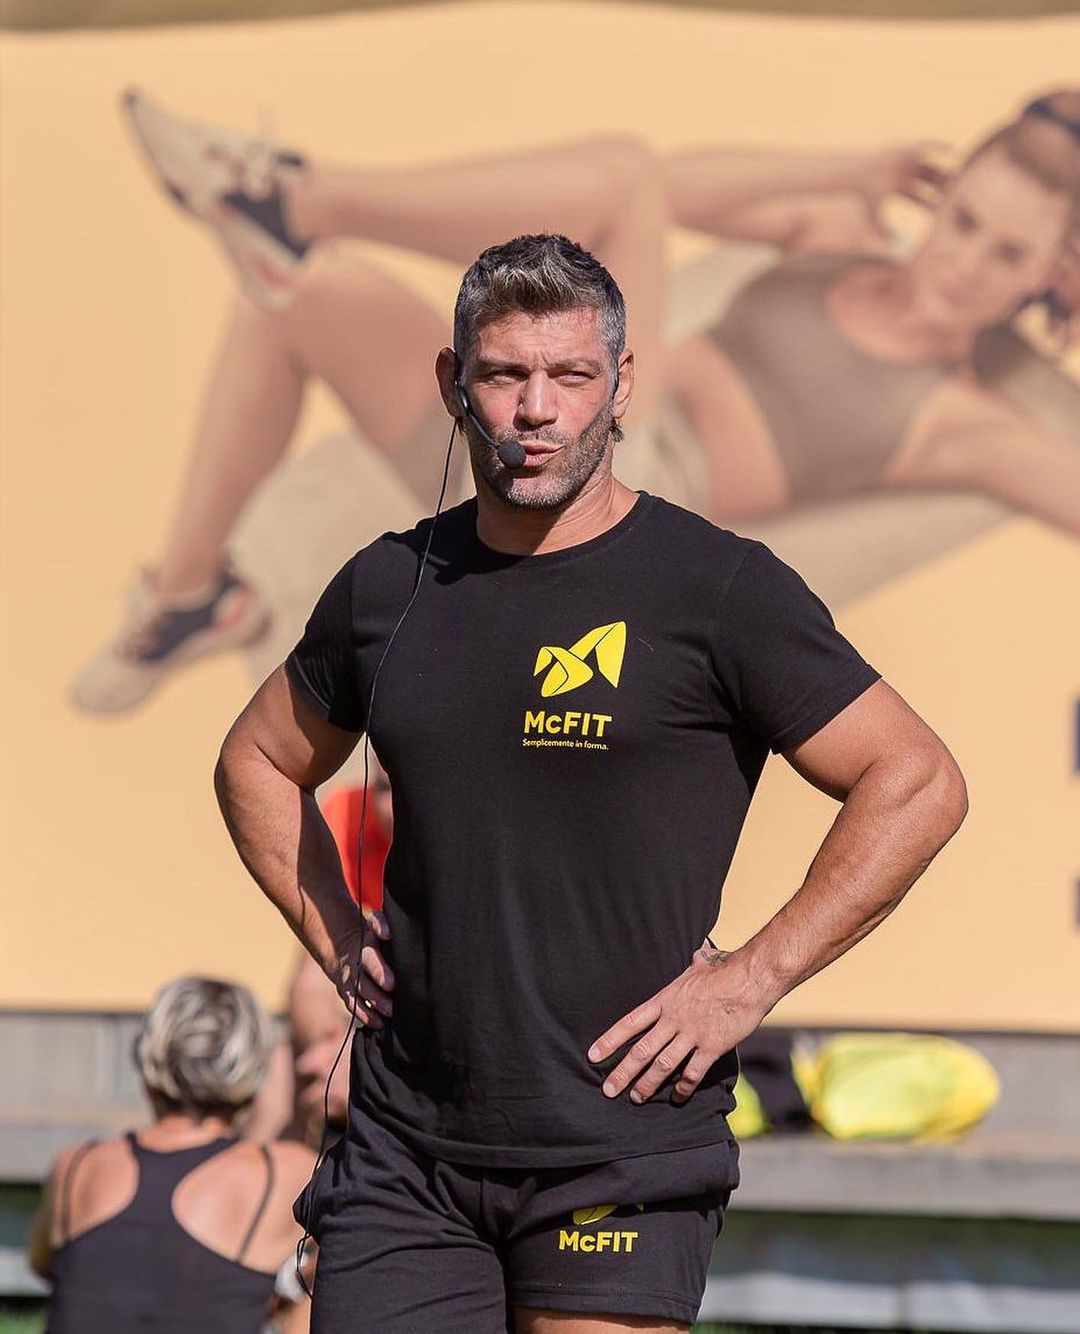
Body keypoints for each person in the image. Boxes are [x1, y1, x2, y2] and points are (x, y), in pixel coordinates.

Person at [213, 233, 968, 1333]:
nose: (536, 409)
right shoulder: (389, 585)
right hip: (405, 1151)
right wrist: (329, 923)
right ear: (453, 383)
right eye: (504, 374)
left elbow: (917, 779)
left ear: (620, 384)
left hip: (622, 1142)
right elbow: (256, 759)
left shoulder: (716, 587)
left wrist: (750, 980)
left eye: (569, 375)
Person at [74, 88, 1079, 713]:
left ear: (1050, 273)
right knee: (294, 297)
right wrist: (854, 169)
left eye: (1007, 254)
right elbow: (681, 187)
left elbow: (639, 190)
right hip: (540, 437)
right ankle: (190, 600)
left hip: (619, 511)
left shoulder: (968, 421)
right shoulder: (839, 241)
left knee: (621, 178)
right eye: (962, 220)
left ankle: (293, 196)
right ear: (940, 199)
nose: (963, 264)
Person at [28, 976, 317, 1334]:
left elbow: (42, 1263)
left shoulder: (76, 1166)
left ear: (149, 1058)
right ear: (254, 1068)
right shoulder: (286, 1173)